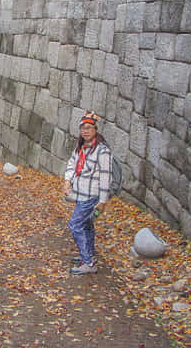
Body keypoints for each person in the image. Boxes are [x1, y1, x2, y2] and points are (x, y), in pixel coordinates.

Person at [63, 111, 112, 275]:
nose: (85, 131)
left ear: (95, 130)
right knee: (86, 224)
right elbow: (72, 163)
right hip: (80, 193)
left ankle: (88, 263)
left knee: (75, 224)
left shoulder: (102, 151)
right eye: (83, 128)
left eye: (89, 128)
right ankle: (89, 255)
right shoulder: (81, 148)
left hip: (91, 196)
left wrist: (103, 201)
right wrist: (67, 180)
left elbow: (106, 176)